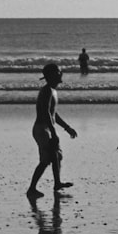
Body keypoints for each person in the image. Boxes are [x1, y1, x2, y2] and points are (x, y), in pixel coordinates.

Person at [27, 63, 78, 199]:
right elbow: (46, 113)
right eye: (58, 72)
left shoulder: (53, 91)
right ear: (51, 75)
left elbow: (53, 113)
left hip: (46, 128)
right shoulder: (47, 90)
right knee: (46, 159)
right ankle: (32, 189)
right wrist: (53, 132)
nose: (61, 73)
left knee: (56, 155)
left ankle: (57, 183)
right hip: (42, 129)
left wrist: (67, 128)